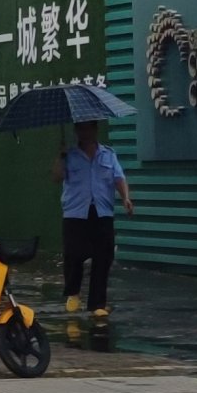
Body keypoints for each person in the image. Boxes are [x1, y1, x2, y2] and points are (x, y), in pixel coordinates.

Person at [55, 118, 132, 327]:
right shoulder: (70, 155)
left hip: (102, 211)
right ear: (76, 131)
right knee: (74, 254)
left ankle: (98, 303)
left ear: (95, 129)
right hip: (75, 212)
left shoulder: (108, 154)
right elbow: (57, 177)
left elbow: (119, 178)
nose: (84, 132)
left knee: (103, 257)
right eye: (80, 129)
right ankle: (73, 294)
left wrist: (125, 198)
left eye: (88, 128)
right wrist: (60, 157)